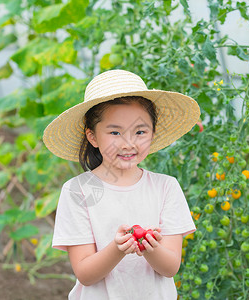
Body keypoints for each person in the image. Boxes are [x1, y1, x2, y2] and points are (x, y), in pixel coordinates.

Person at [43, 69, 200, 299]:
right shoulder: (78, 191)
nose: (128, 143)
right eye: (115, 132)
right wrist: (117, 250)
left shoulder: (166, 188)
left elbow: (170, 267)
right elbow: (85, 273)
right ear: (93, 137)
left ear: (152, 134)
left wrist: (150, 247)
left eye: (140, 131)